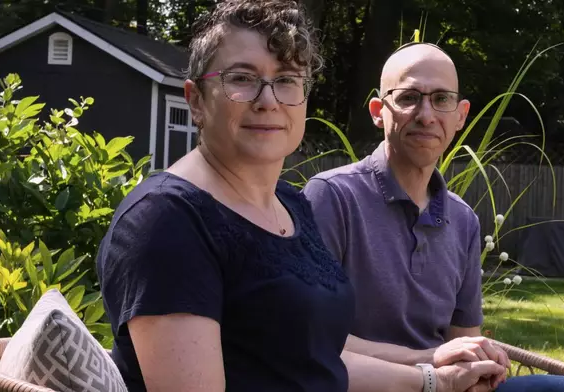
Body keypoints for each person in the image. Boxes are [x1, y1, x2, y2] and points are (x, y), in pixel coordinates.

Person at [95, 1, 506, 392]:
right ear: (195, 100)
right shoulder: (168, 219)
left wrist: (435, 375)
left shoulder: (290, 206)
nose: (268, 101)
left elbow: (320, 356)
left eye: (287, 81)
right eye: (242, 78)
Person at [302, 42, 564, 392]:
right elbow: (308, 341)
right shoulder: (332, 198)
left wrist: (477, 368)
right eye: (409, 97)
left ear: (460, 115)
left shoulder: (463, 220)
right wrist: (432, 363)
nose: (426, 115)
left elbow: (463, 343)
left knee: (557, 390)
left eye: (441, 99)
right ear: (378, 111)